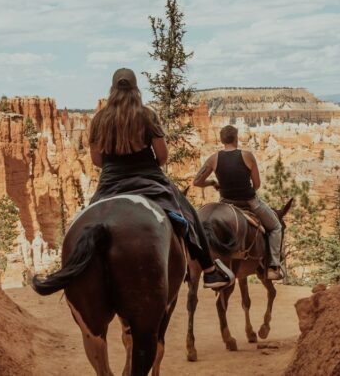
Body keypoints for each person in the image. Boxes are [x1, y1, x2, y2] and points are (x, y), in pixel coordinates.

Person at [87, 68, 234, 289]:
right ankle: (210, 270)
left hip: (110, 183)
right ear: (136, 88)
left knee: (86, 220)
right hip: (149, 179)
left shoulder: (99, 119)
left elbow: (97, 160)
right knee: (189, 214)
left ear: (113, 88)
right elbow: (162, 156)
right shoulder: (147, 115)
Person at [193, 125, 284, 281]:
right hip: (249, 202)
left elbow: (197, 181)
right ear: (236, 138)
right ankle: (273, 266)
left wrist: (213, 183)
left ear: (222, 140)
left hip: (226, 203)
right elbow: (257, 184)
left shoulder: (213, 159)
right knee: (276, 226)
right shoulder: (247, 156)